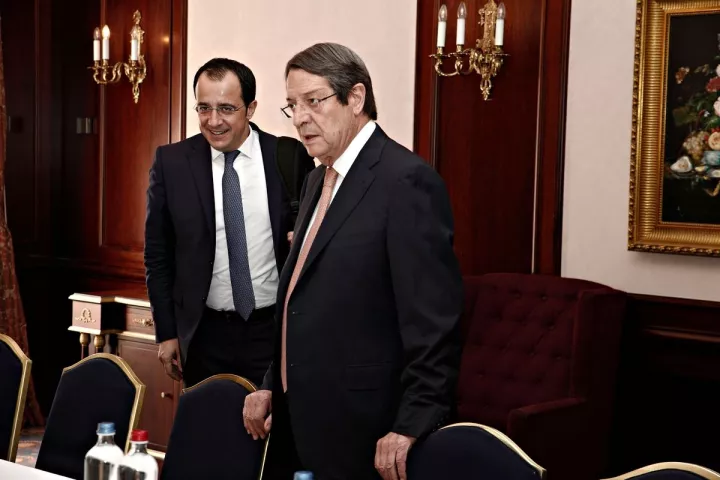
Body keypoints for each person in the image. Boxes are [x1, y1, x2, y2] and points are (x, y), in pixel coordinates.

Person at [243, 43, 463, 480]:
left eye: (313, 101)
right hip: (296, 420)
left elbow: (434, 324)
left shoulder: (405, 181)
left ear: (356, 98)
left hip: (364, 429)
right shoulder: (316, 180)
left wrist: (412, 423)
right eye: (292, 105)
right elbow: (302, 301)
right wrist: (272, 384)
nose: (300, 117)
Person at [144, 58, 314, 388]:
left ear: (250, 109)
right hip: (204, 335)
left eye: (226, 108)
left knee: (275, 420)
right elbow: (157, 255)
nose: (213, 121)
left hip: (274, 332)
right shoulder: (171, 163)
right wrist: (166, 333)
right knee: (208, 420)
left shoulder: (288, 157)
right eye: (204, 108)